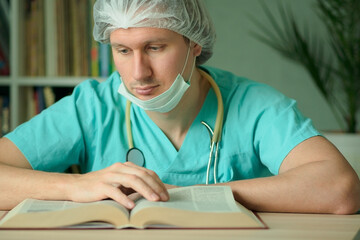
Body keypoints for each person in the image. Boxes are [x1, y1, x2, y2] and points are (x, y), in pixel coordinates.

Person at [0, 0, 359, 214]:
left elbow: (341, 191)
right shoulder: (92, 105)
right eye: (123, 51)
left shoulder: (253, 104)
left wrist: (192, 196)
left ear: (194, 44)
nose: (138, 73)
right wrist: (76, 187)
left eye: (155, 47)